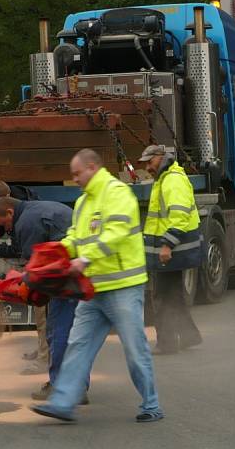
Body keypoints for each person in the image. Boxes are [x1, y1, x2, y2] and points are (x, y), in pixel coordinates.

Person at [31, 149, 163, 423]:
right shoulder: (82, 203)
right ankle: (64, 402)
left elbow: (116, 233)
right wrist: (55, 252)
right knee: (77, 345)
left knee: (134, 348)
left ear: (92, 167)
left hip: (123, 286)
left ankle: (151, 404)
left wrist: (84, 258)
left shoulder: (117, 193)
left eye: (77, 173)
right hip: (93, 290)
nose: (74, 179)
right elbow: (75, 237)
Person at [0, 196, 87, 403]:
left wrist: (24, 288)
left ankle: (60, 387)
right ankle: (78, 387)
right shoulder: (35, 210)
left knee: (58, 330)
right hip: (78, 267)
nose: (7, 230)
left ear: (10, 213)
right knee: (74, 332)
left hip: (68, 274)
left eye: (6, 224)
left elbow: (34, 266)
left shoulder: (27, 222)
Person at [0, 180, 48, 375]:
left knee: (44, 313)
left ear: (5, 203)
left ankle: (45, 358)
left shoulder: (24, 219)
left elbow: (17, 250)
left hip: (41, 267)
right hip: (39, 261)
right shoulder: (18, 206)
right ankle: (44, 348)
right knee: (41, 312)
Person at [139, 145, 203, 354]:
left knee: (161, 295)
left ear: (161, 157)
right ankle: (188, 336)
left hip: (172, 250)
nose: (147, 167)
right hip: (172, 250)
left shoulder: (172, 180)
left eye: (150, 162)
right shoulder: (165, 178)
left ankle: (167, 343)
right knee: (172, 294)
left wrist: (167, 245)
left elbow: (179, 215)